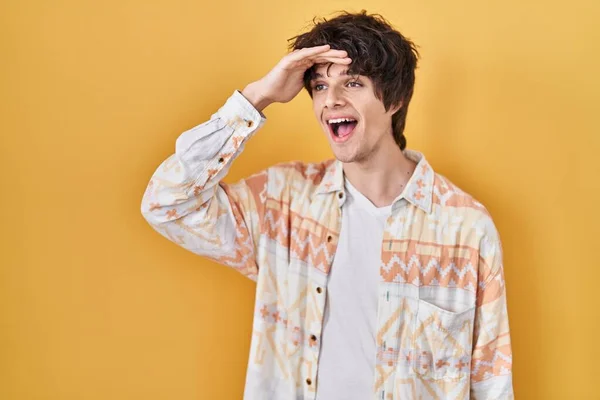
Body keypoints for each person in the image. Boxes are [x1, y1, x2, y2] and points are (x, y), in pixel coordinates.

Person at [140, 10, 513, 400]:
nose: (331, 100)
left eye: (352, 83)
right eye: (319, 86)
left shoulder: (465, 229)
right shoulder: (282, 202)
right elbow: (166, 203)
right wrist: (257, 97)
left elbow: (491, 383)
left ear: (395, 100)